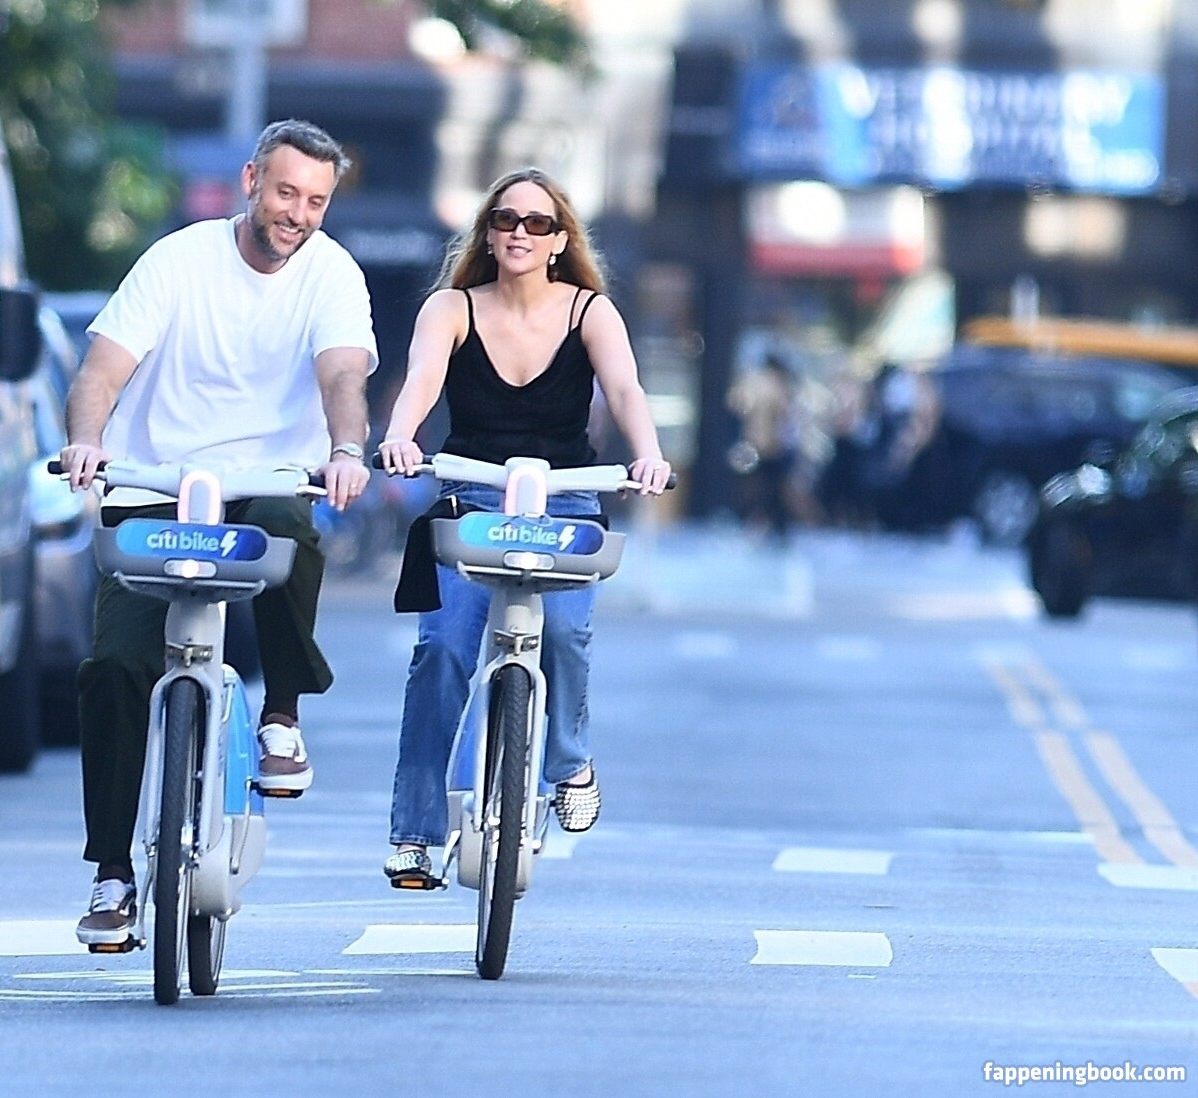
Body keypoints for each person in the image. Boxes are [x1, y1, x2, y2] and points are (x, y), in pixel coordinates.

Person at [59, 119, 377, 946]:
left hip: (264, 486)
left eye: (316, 201)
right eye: (285, 192)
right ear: (250, 181)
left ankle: (282, 716)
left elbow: (343, 374)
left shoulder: (333, 274)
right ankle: (112, 874)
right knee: (116, 666)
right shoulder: (178, 260)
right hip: (153, 486)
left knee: (288, 523)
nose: (297, 214)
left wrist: (346, 450)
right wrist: (88, 442)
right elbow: (100, 373)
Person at [376, 168, 674, 886]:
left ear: (559, 240)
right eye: (506, 220)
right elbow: (421, 379)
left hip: (565, 502)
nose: (519, 233)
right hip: (472, 501)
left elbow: (625, 388)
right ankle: (414, 835)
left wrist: (649, 455)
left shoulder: (589, 312)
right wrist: (400, 437)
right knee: (441, 652)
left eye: (537, 223)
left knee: (566, 635)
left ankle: (569, 762)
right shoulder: (451, 308)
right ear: (487, 233)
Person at [726, 352, 799, 542]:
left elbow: (737, 405)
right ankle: (769, 526)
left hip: (753, 444)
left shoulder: (753, 382)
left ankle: (755, 524)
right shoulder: (776, 385)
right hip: (772, 446)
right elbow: (784, 412)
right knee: (771, 489)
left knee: (754, 487)